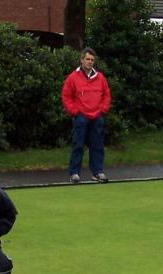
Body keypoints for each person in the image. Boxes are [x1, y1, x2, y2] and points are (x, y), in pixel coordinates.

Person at [61, 47, 111, 184]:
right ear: (82, 60)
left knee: (97, 145)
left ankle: (97, 172)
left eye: (92, 60)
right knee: (78, 144)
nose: (90, 62)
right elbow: (66, 97)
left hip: (96, 116)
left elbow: (106, 95)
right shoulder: (72, 78)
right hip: (81, 116)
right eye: (87, 59)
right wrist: (75, 112)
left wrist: (103, 110)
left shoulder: (100, 77)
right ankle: (74, 173)